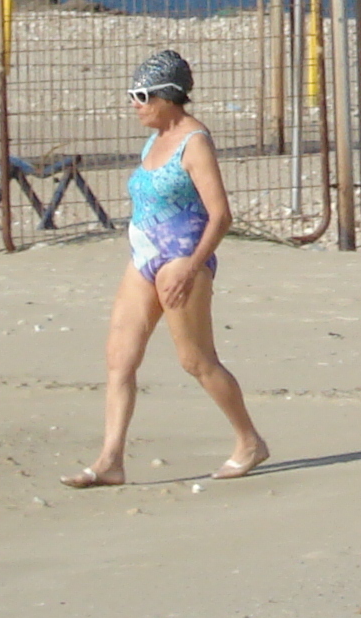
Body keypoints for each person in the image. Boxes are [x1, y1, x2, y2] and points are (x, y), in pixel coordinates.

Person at [62, 49, 268, 486]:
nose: (134, 104)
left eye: (141, 95)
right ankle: (110, 461)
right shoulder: (153, 141)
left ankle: (249, 441)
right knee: (119, 359)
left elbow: (221, 216)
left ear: (168, 98)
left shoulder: (195, 143)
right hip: (144, 257)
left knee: (196, 361)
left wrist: (193, 268)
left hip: (182, 261)